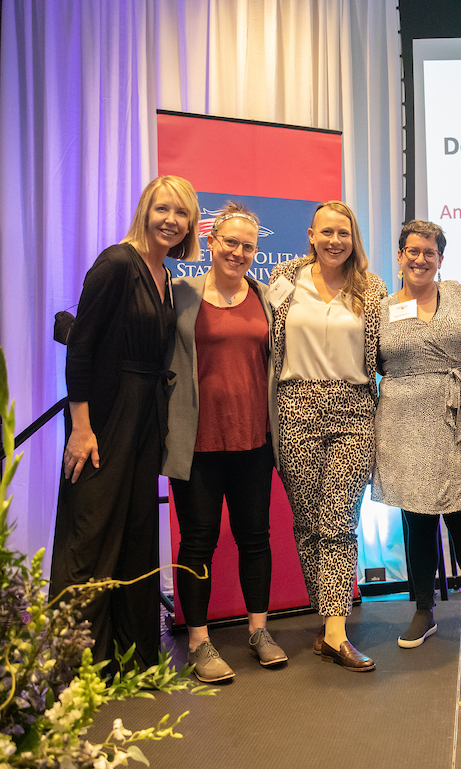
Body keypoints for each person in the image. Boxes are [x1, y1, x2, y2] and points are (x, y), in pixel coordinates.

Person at [51, 175, 199, 669]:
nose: (171, 221)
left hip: (145, 422)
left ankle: (132, 658)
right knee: (90, 538)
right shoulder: (116, 263)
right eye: (163, 209)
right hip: (106, 419)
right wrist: (81, 427)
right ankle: (76, 668)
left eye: (181, 214)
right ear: (145, 210)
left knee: (137, 536)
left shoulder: (166, 279)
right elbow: (81, 348)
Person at [162, 202, 286, 682]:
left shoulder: (267, 300)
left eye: (248, 246)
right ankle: (199, 640)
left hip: (254, 442)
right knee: (198, 543)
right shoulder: (180, 295)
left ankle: (259, 631)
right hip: (196, 445)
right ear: (211, 242)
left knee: (256, 539)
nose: (238, 252)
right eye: (230, 242)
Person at [270, 201, 387, 672]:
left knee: (337, 517)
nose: (336, 240)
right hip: (295, 405)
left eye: (344, 232)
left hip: (354, 408)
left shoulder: (371, 287)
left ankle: (336, 632)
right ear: (311, 235)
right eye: (327, 232)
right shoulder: (283, 278)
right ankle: (327, 622)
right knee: (307, 520)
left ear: (353, 237)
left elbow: (384, 352)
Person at [372, 220, 461, 648]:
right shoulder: (384, 308)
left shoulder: (460, 295)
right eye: (412, 251)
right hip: (403, 422)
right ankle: (423, 611)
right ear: (401, 256)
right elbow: (374, 361)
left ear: (440, 258)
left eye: (429, 252)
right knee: (417, 522)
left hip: (457, 417)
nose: (420, 259)